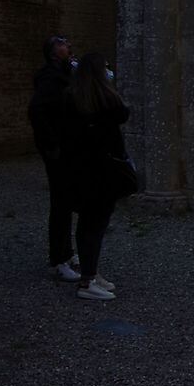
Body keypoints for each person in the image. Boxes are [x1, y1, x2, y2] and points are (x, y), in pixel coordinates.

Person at [59, 51, 133, 301]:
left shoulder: (73, 97)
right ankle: (88, 281)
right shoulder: (104, 98)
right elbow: (123, 113)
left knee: (87, 224)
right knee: (96, 225)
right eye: (105, 68)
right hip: (101, 172)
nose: (108, 71)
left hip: (81, 170)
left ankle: (89, 273)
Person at [28, 33, 78, 279]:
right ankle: (58, 259)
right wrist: (51, 144)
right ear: (52, 54)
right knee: (60, 203)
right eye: (61, 44)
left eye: (66, 43)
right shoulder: (50, 79)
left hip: (67, 147)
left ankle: (67, 251)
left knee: (67, 201)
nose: (67, 46)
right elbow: (36, 111)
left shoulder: (65, 75)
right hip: (58, 150)